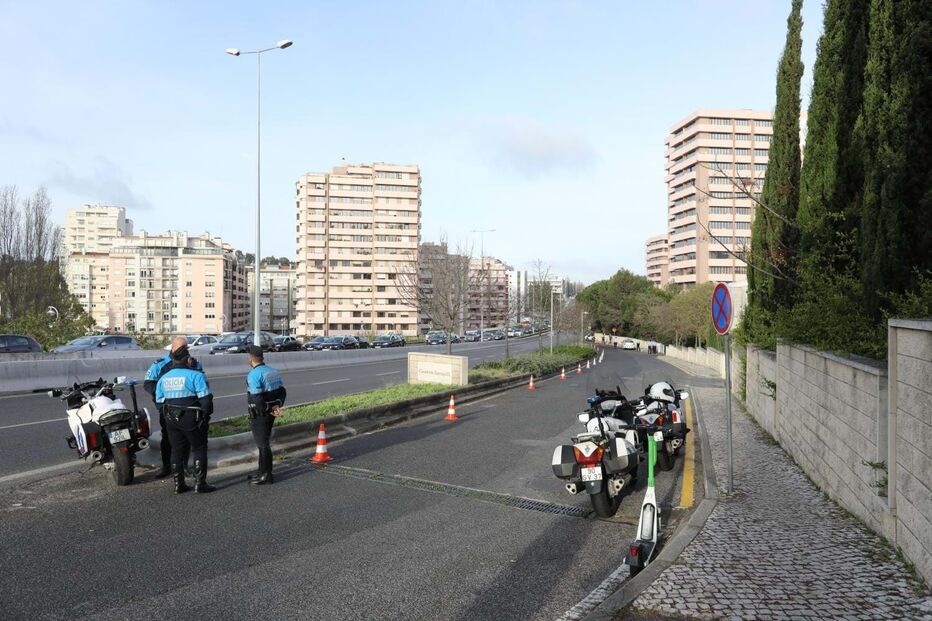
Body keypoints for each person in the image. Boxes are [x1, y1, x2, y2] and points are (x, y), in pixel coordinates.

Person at [155, 345, 216, 494]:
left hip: (171, 419)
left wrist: (169, 415)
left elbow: (159, 402)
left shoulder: (163, 378)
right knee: (199, 448)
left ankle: (178, 485)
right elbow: (206, 401)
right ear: (187, 359)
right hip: (192, 418)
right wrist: (205, 417)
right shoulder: (196, 375)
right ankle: (200, 483)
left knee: (176, 450)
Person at [144, 336, 202, 478]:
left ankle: (184, 467)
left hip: (188, 409)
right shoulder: (160, 364)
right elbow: (148, 383)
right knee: (168, 439)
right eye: (184, 348)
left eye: (187, 347)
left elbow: (201, 381)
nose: (187, 350)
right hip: (167, 409)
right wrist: (162, 400)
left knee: (186, 439)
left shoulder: (193, 363)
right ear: (174, 348)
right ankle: (166, 466)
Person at [245, 345, 287, 485]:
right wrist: (277, 405)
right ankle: (260, 471)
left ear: (250, 359)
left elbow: (257, 399)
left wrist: (268, 408)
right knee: (263, 442)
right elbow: (282, 391)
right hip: (270, 413)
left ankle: (266, 475)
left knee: (262, 444)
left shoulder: (253, 375)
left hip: (260, 414)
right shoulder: (273, 371)